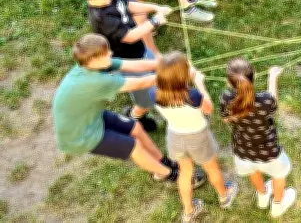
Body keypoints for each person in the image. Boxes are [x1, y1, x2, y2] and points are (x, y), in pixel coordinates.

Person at [52, 34, 203, 188]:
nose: (110, 53)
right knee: (135, 147)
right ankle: (168, 174)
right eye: (106, 53)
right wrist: (175, 75)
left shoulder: (92, 65)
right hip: (80, 135)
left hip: (89, 117)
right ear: (93, 59)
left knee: (136, 127)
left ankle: (163, 162)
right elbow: (140, 83)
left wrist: (168, 64)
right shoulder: (96, 82)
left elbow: (134, 65)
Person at [151, 52, 238, 223]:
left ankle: (189, 212)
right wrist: (199, 83)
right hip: (198, 137)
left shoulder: (154, 93)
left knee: (185, 172)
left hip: (175, 137)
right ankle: (224, 196)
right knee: (212, 168)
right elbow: (208, 109)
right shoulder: (192, 96)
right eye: (187, 67)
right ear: (182, 77)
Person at [78, 0, 168, 131]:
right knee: (146, 99)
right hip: (127, 61)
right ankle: (135, 116)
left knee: (154, 71)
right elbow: (130, 36)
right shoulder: (102, 18)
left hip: (139, 50)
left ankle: (155, 91)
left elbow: (128, 5)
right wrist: (154, 22)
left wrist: (155, 7)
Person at [220, 59, 297, 217]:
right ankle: (277, 205)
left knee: (253, 171)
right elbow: (273, 104)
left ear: (228, 82)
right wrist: (272, 77)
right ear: (253, 76)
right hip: (269, 153)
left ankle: (262, 195)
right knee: (278, 175)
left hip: (242, 152)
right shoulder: (264, 100)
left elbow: (225, 118)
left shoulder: (226, 98)